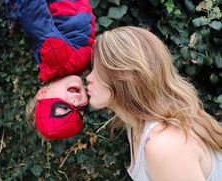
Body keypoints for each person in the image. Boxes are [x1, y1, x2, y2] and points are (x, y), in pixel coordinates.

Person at [86, 26, 222, 181]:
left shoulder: (165, 144)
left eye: (96, 69)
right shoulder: (137, 126)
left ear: (123, 75)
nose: (89, 78)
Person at [8, 0, 95, 140]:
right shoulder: (81, 69)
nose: (76, 103)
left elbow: (35, 19)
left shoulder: (56, 60)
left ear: (43, 93)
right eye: (81, 110)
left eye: (63, 108)